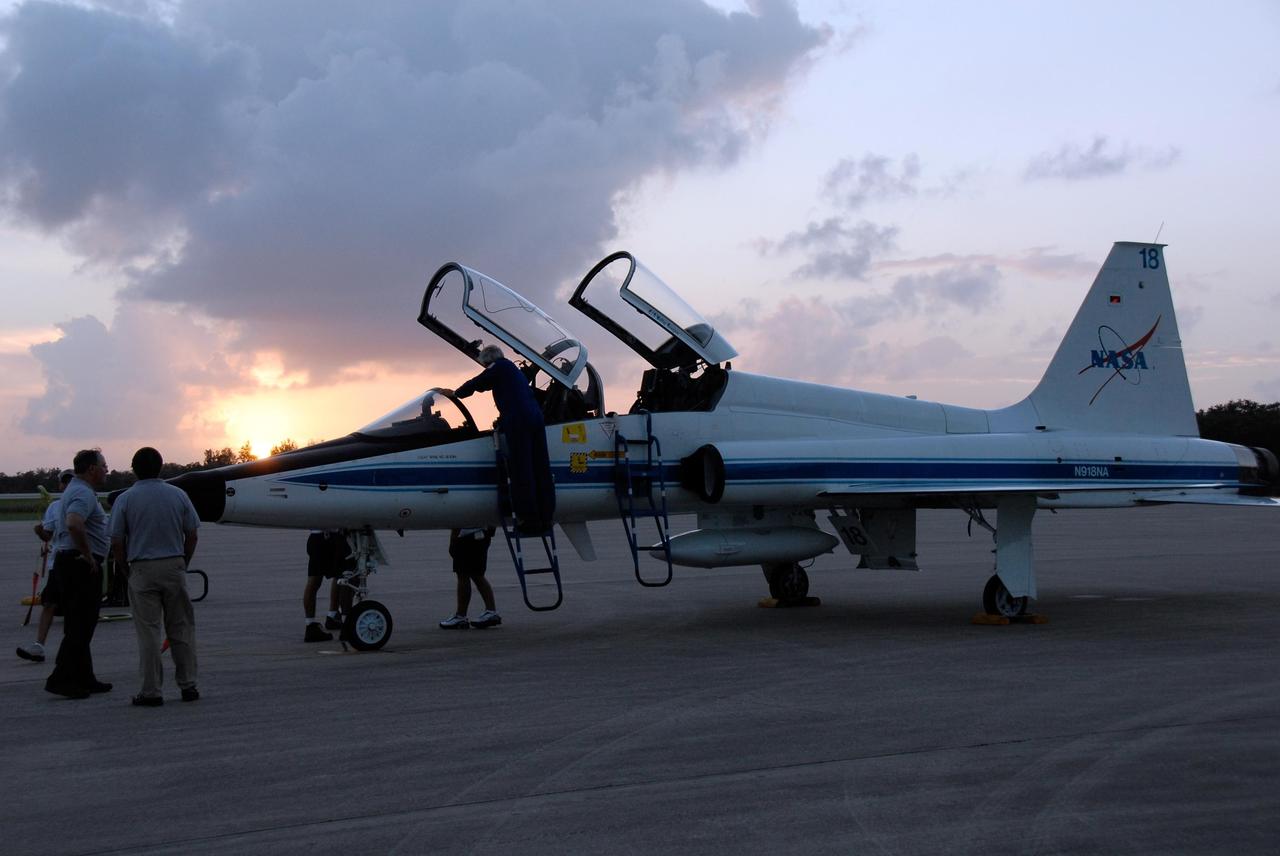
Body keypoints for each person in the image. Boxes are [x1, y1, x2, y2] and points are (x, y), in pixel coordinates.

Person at [109, 447, 201, 707]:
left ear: (134, 468)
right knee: (180, 628)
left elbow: (117, 540)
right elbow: (192, 534)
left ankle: (151, 691)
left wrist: (125, 568)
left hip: (141, 567)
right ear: (161, 467)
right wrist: (183, 561)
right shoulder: (178, 495)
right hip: (173, 565)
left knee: (148, 632)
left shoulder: (126, 499)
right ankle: (188, 684)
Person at [439, 345, 555, 533]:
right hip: (535, 418)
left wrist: (456, 393)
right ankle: (545, 519)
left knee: (521, 469)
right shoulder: (511, 370)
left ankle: (529, 521)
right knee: (540, 468)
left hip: (519, 421)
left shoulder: (498, 367)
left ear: (488, 361)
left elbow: (479, 382)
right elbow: (491, 386)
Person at [43, 449, 113, 699]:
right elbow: (74, 522)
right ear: (92, 469)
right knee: (81, 625)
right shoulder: (82, 493)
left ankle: (85, 677)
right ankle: (60, 679)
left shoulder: (76, 489)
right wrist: (87, 554)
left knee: (79, 623)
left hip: (69, 563)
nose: (107, 469)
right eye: (104, 465)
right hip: (78, 565)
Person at [18, 469, 74, 662]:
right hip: (57, 564)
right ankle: (39, 645)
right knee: (49, 603)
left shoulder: (84, 503)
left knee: (74, 609)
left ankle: (73, 652)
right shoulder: (54, 507)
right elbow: (47, 536)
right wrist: (39, 532)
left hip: (77, 564)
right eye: (64, 481)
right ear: (60, 485)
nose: (67, 485)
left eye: (71, 481)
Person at [439, 527, 500, 629]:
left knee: (463, 575)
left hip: (466, 537)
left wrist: (453, 540)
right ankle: (491, 610)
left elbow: (458, 520)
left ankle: (461, 615)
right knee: (478, 575)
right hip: (482, 535)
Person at [303, 529, 355, 642]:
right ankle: (346, 625)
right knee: (346, 576)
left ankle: (311, 625)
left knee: (313, 580)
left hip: (315, 537)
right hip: (334, 537)